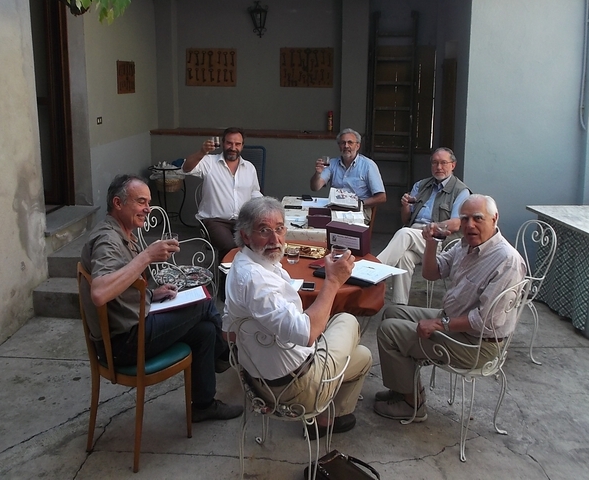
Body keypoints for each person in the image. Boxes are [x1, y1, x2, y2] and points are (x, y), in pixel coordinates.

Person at [79, 174, 242, 423]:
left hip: (133, 327)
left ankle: (203, 405)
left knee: (206, 330)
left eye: (149, 202)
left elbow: (121, 288)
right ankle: (228, 355)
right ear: (118, 203)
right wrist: (146, 256)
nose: (147, 208)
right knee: (205, 304)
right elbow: (100, 293)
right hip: (125, 343)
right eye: (141, 201)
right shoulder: (107, 240)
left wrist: (151, 294)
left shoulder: (121, 232)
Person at [223, 197, 373, 438]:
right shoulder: (256, 280)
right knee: (348, 321)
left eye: (280, 229)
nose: (275, 239)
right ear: (246, 235)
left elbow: (228, 331)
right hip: (295, 389)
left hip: (255, 380)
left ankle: (326, 413)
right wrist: (334, 281)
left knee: (361, 354)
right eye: (264, 231)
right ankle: (324, 420)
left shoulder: (240, 264)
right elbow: (308, 334)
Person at [373, 194, 526, 422]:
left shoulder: (506, 261)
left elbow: (485, 320)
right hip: (454, 323)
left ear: (495, 218)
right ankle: (403, 388)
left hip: (477, 344)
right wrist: (432, 243)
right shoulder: (465, 245)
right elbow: (431, 273)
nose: (469, 225)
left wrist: (439, 324)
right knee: (392, 312)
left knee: (389, 331)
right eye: (464, 219)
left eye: (477, 218)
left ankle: (412, 404)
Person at [376, 147, 471, 305]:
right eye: (434, 163)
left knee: (404, 233)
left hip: (437, 241)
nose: (438, 167)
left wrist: (434, 227)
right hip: (415, 236)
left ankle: (374, 271)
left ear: (453, 165)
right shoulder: (421, 186)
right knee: (405, 257)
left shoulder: (461, 191)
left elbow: (456, 224)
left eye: (443, 163)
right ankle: (400, 306)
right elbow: (406, 219)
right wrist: (405, 205)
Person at [183, 127, 262, 259]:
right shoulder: (209, 161)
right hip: (214, 221)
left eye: (237, 144)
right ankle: (225, 278)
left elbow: (254, 193)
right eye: (229, 143)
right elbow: (186, 168)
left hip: (242, 221)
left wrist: (265, 210)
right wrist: (202, 152)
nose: (233, 147)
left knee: (259, 242)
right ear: (222, 143)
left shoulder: (249, 168)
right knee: (231, 247)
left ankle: (248, 276)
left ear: (242, 146)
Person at [310, 128, 386, 221]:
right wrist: (318, 173)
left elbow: (382, 197)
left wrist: (358, 203)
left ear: (358, 146)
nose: (346, 146)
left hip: (358, 212)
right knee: (315, 220)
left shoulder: (368, 165)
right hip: (336, 209)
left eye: (350, 142)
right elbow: (315, 187)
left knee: (336, 224)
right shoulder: (332, 163)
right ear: (339, 146)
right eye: (343, 143)